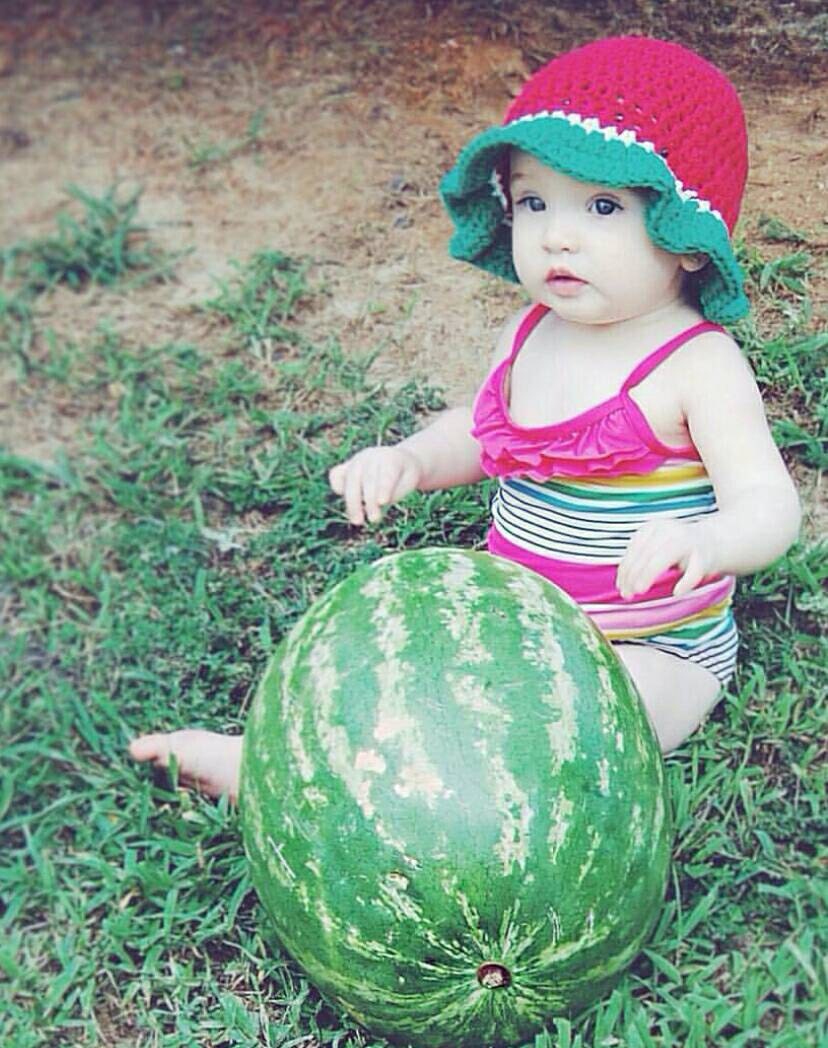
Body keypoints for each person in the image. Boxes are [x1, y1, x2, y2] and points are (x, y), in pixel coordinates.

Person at [129, 36, 800, 801]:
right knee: (384, 661)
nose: (557, 235)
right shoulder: (530, 334)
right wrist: (412, 460)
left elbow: (770, 507)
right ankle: (268, 755)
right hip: (510, 620)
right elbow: (482, 438)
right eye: (535, 202)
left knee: (557, 736)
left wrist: (707, 539)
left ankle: (325, 791)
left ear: (686, 239)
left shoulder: (696, 366)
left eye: (603, 207)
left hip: (651, 650)